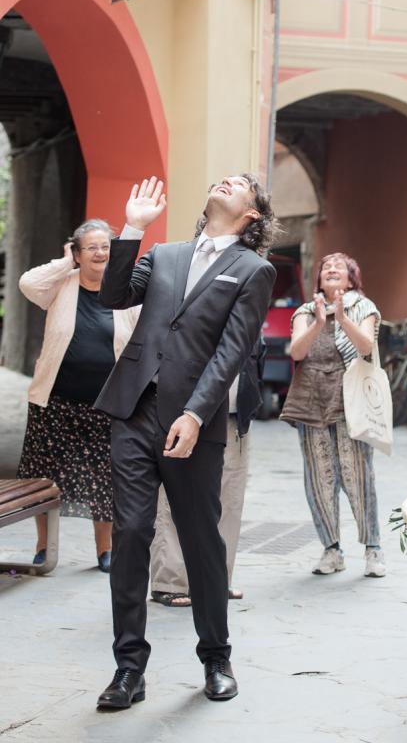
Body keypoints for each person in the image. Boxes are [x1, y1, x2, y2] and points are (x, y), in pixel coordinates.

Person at [93, 175, 276, 711]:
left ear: (252, 215)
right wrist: (132, 228)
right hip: (133, 408)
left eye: (241, 183)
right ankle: (129, 668)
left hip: (193, 421)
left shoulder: (253, 269)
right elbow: (112, 295)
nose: (227, 180)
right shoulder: (165, 253)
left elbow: (233, 351)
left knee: (201, 540)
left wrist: (197, 414)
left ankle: (216, 657)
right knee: (130, 533)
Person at [16, 220, 139, 571]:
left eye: (106, 247)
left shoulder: (127, 291)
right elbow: (28, 283)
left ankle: (105, 549)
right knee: (45, 476)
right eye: (91, 247)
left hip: (107, 405)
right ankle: (44, 545)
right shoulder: (59, 286)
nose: (100, 253)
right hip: (54, 402)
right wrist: (64, 263)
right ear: (78, 252)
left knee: (107, 477)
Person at [280, 252, 385, 578]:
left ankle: (373, 549)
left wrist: (343, 319)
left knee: (357, 478)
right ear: (320, 280)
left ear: (352, 279)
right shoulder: (305, 311)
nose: (332, 269)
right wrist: (320, 323)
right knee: (319, 479)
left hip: (350, 402)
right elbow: (297, 351)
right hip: (310, 400)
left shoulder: (363, 307)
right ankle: (332, 549)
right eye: (327, 267)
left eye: (340, 266)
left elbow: (366, 346)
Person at [149, 338, 267, 607]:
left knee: (229, 498)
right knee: (174, 495)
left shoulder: (248, 307)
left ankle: (216, 580)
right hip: (188, 413)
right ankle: (169, 581)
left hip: (235, 415)